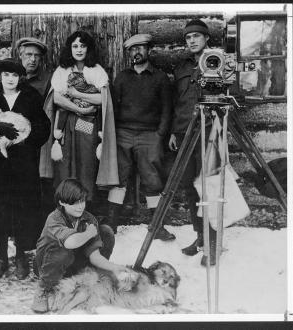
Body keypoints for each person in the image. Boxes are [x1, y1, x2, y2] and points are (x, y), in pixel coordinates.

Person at [0, 59, 50, 280]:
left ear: (20, 77)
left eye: (15, 76)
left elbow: (43, 127)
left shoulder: (30, 96)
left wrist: (24, 142)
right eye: (6, 75)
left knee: (21, 209)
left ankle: (20, 256)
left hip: (22, 164)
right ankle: (2, 258)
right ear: (0, 76)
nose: (10, 79)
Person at [105, 34, 175, 240]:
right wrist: (114, 133)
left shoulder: (160, 78)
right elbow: (114, 108)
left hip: (149, 135)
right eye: (133, 49)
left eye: (141, 48)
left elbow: (167, 110)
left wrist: (159, 135)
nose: (137, 52)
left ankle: (157, 226)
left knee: (152, 179)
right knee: (119, 177)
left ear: (148, 50)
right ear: (129, 53)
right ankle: (111, 223)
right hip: (123, 134)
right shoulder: (122, 77)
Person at [46, 30, 118, 211]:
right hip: (66, 123)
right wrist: (79, 107)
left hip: (87, 124)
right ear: (70, 48)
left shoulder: (96, 71)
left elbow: (102, 99)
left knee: (86, 163)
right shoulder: (62, 71)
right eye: (75, 46)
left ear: (88, 49)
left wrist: (76, 94)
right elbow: (56, 98)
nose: (79, 50)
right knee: (65, 164)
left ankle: (85, 208)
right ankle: (65, 207)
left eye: (83, 46)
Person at [31, 178, 128, 313]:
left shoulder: (88, 219)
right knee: (64, 252)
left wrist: (115, 268)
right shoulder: (54, 218)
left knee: (106, 232)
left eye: (82, 201)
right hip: (48, 266)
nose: (81, 206)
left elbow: (95, 256)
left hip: (72, 263)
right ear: (61, 202)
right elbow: (70, 242)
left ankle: (89, 277)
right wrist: (88, 234)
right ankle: (44, 289)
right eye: (75, 203)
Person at [168, 19, 217, 266]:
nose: (192, 41)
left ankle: (213, 243)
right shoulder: (181, 67)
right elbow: (179, 103)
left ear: (206, 38)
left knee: (209, 187)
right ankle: (200, 236)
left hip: (209, 133)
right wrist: (174, 132)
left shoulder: (216, 61)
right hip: (185, 134)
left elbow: (232, 97)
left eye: (197, 36)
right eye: (188, 38)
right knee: (190, 187)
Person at [15, 37, 56, 217]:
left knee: (42, 182)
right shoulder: (12, 77)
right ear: (20, 55)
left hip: (38, 140)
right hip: (15, 138)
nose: (32, 59)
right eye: (28, 55)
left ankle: (41, 226)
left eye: (37, 56)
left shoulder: (48, 79)